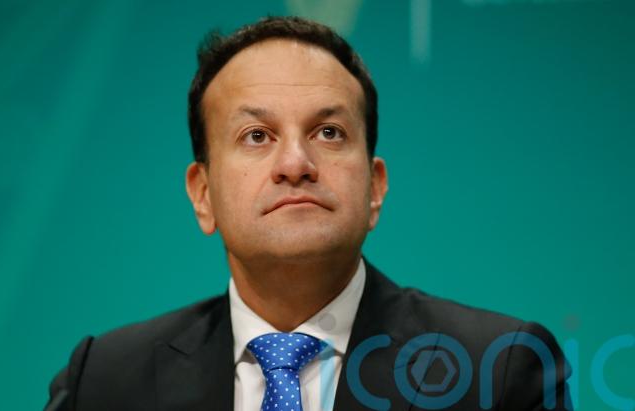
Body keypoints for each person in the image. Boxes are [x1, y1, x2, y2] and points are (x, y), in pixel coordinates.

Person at [44, 16, 572, 411]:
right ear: (202, 194)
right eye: (257, 136)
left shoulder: (496, 370)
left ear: (375, 188)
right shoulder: (104, 382)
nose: (295, 164)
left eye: (329, 132)